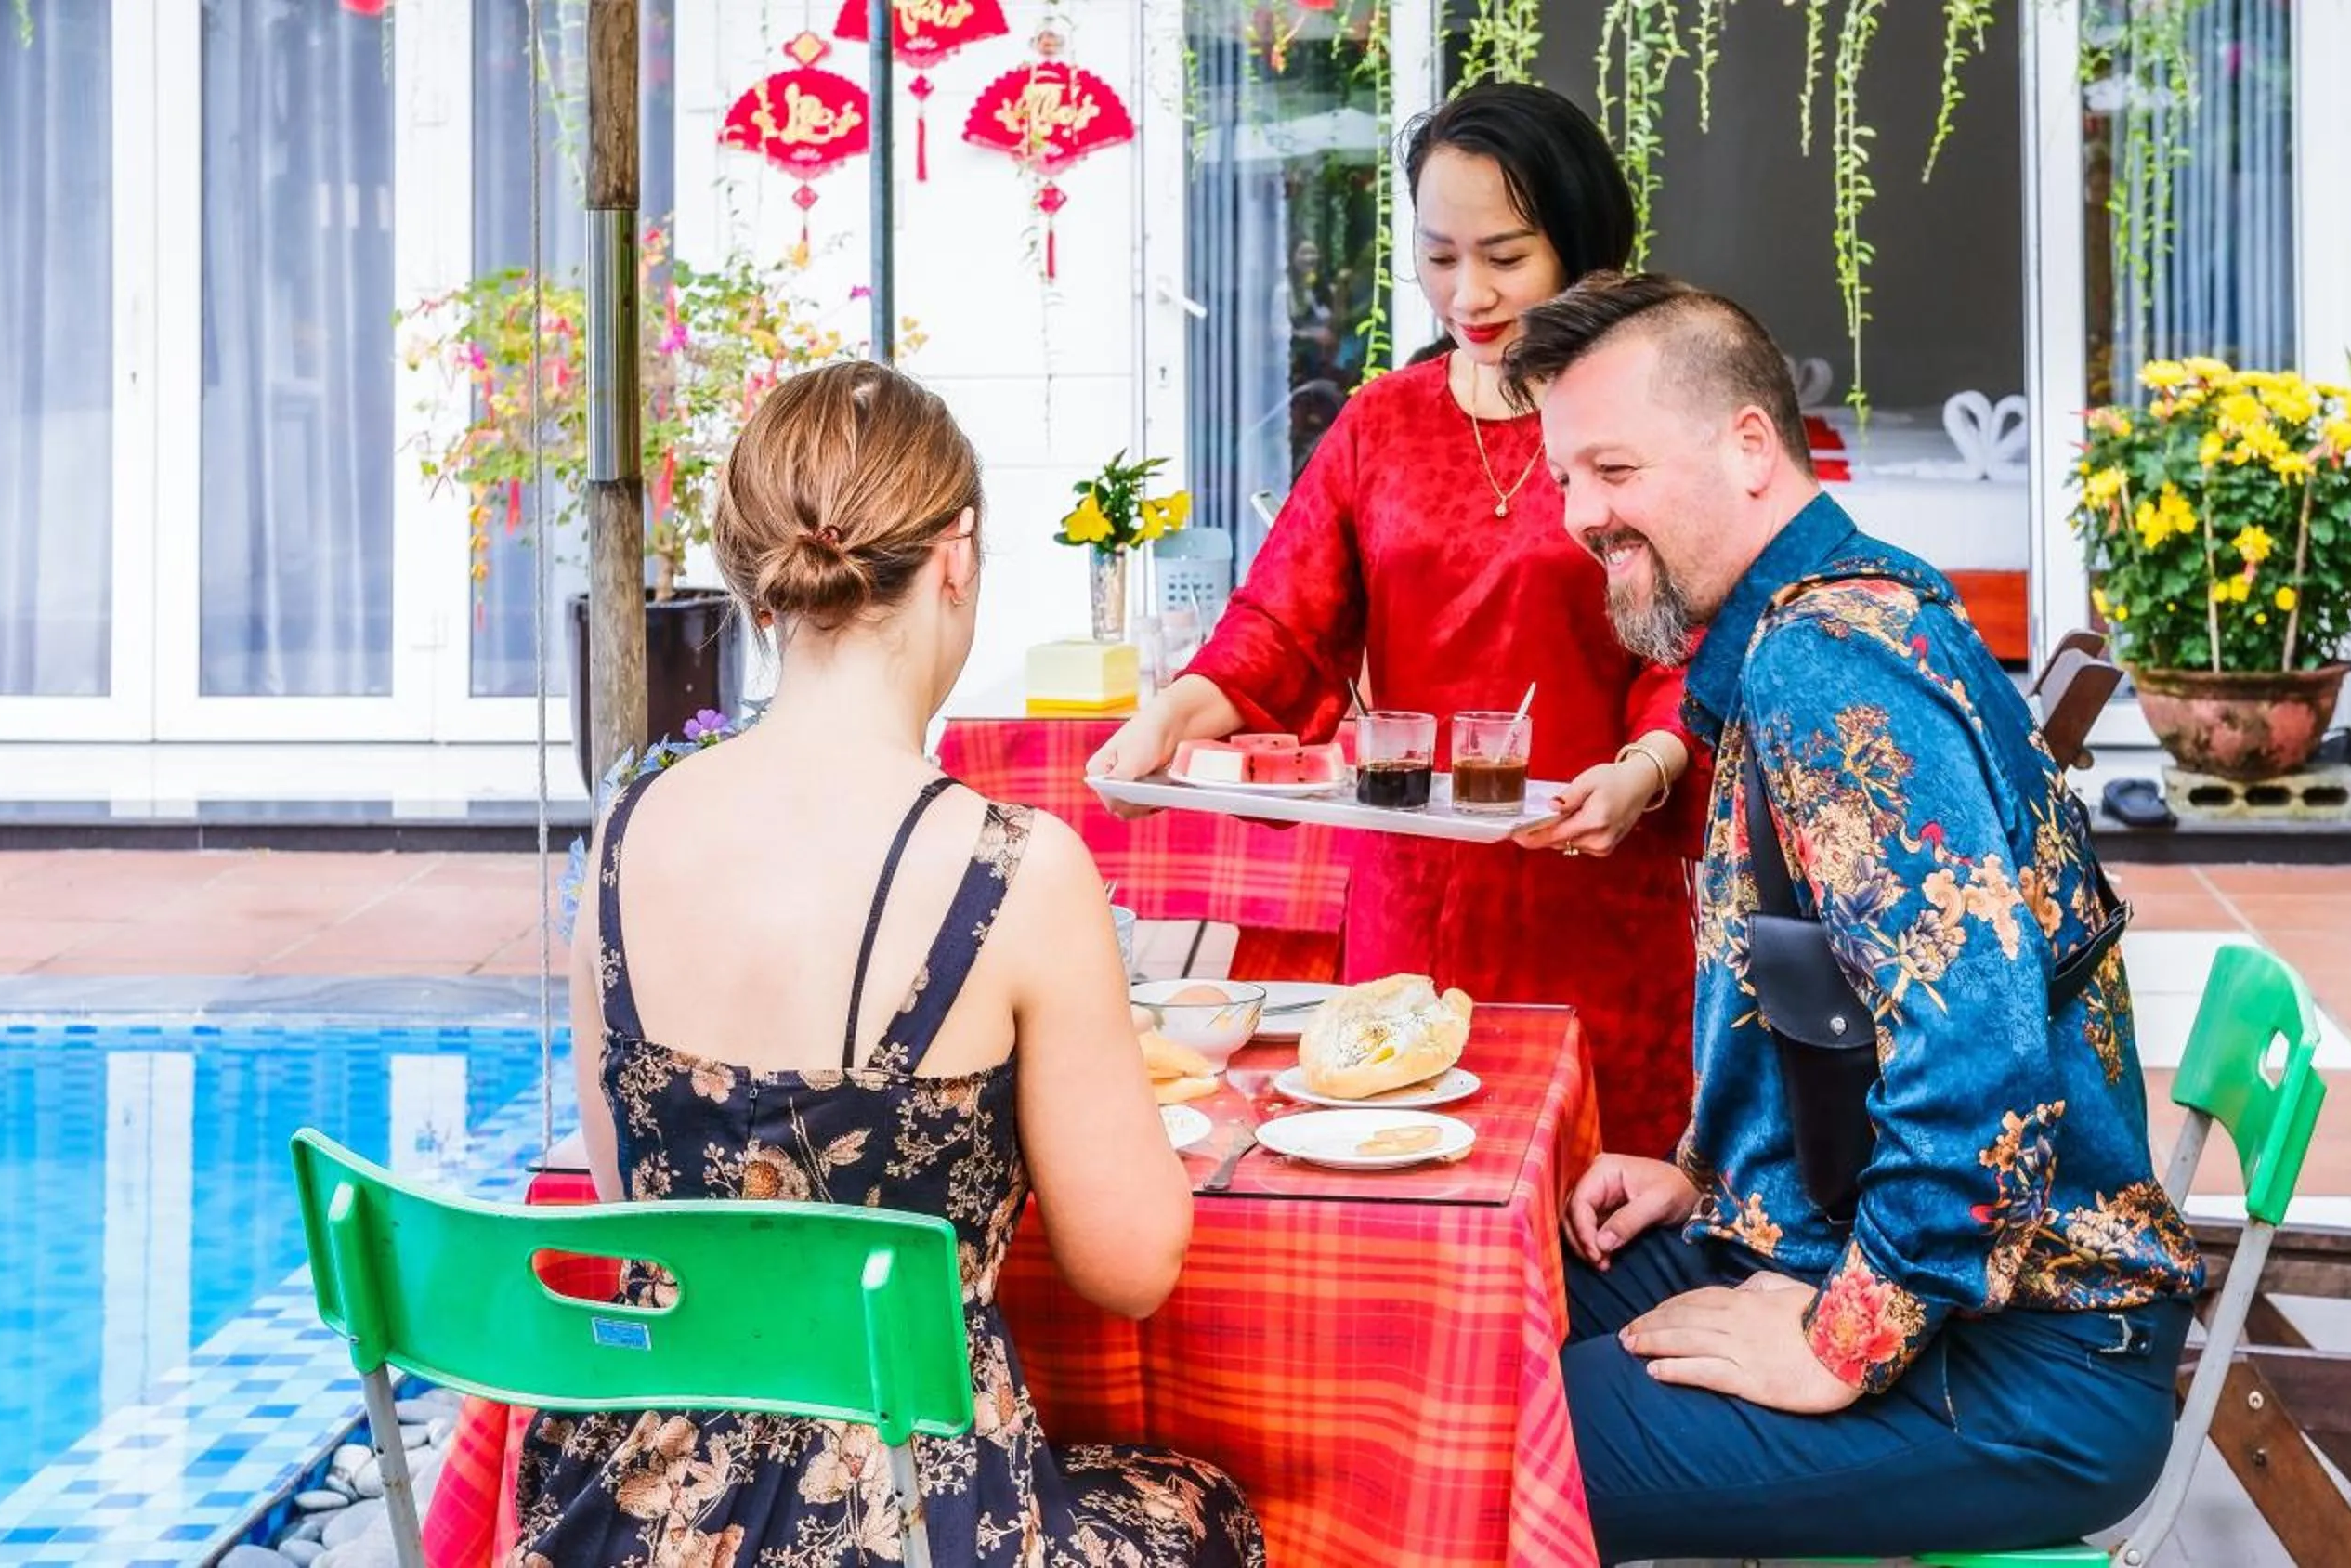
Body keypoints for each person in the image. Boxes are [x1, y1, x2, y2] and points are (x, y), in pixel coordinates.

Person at [1505, 272, 2202, 1562]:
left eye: (1610, 469)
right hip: (1891, 1265)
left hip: (2031, 1359)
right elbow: (1849, 1002)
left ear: (1750, 448)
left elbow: (1979, 1062)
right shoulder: (1833, 617)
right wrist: (1716, 1176)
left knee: (1487, 1451)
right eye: (1563, 479)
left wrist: (1846, 1340)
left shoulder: (1829, 663)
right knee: (1478, 1316)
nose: (1579, 516)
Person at [522, 362, 1264, 1567]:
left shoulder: (629, 826)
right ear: (957, 556)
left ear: (755, 578)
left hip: (632, 1517)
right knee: (1200, 1507)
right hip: (916, 1524)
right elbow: (1132, 1267)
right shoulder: (1016, 870)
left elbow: (631, 1214)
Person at [1089, 82, 1702, 1156]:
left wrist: (1647, 767)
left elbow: (1688, 636)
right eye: (1439, 255)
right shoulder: (1382, 423)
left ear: (1581, 243)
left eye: (1506, 257)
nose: (1469, 292)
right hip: (1411, 893)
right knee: (1408, 1160)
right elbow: (1282, 623)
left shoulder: (1638, 420)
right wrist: (1173, 717)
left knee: (1595, 1210)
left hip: (1593, 879)